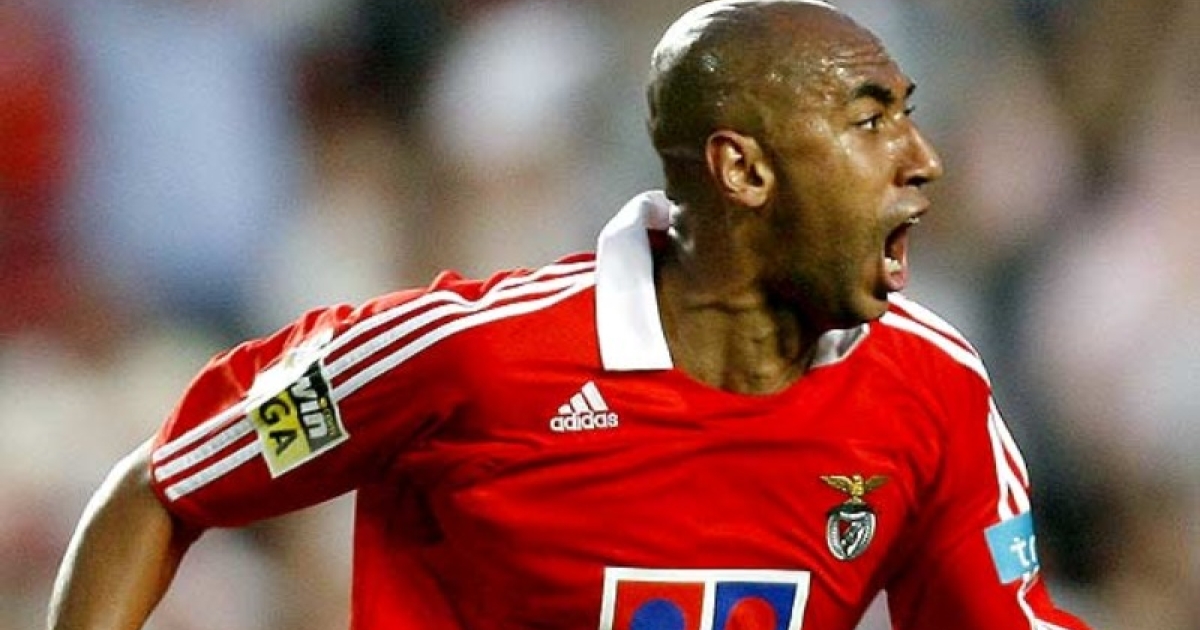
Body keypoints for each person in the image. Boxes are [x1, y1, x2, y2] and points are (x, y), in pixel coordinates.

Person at [47, 1, 1095, 628]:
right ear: (742, 170)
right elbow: (166, 487)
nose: (924, 161)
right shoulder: (466, 359)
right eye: (870, 126)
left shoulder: (931, 388)